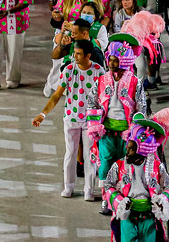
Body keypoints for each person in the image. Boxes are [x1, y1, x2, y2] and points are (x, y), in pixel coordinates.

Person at [33, 39, 105, 199]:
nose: (75, 56)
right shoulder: (69, 70)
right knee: (70, 153)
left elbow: (105, 96)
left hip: (91, 121)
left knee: (89, 156)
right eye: (75, 53)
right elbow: (57, 95)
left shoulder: (99, 71)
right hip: (71, 118)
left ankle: (88, 189)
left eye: (79, 54)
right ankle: (69, 187)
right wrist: (43, 114)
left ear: (88, 55)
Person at [86, 33, 147, 215]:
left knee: (125, 166)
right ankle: (106, 199)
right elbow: (92, 102)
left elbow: (141, 107)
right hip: (106, 133)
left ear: (125, 61)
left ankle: (121, 200)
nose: (112, 64)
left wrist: (136, 131)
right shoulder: (101, 80)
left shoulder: (135, 82)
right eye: (110, 60)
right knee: (105, 165)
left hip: (127, 135)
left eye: (116, 60)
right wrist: (95, 125)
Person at [103, 113, 169, 239]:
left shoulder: (157, 166)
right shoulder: (119, 165)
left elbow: (168, 186)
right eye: (128, 147)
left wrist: (163, 201)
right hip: (128, 218)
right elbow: (108, 185)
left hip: (149, 218)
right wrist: (119, 202)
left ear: (142, 150)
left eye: (132, 149)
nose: (127, 152)